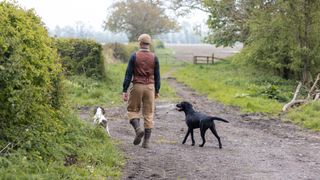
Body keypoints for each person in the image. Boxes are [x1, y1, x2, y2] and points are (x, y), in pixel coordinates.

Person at [122, 34, 160, 148]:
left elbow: (128, 74)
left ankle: (138, 129)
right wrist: (157, 90)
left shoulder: (134, 56)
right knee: (149, 113)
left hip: (137, 86)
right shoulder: (154, 57)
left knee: (132, 110)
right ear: (149, 44)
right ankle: (146, 142)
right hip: (150, 87)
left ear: (139, 43)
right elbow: (157, 76)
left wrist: (125, 90)